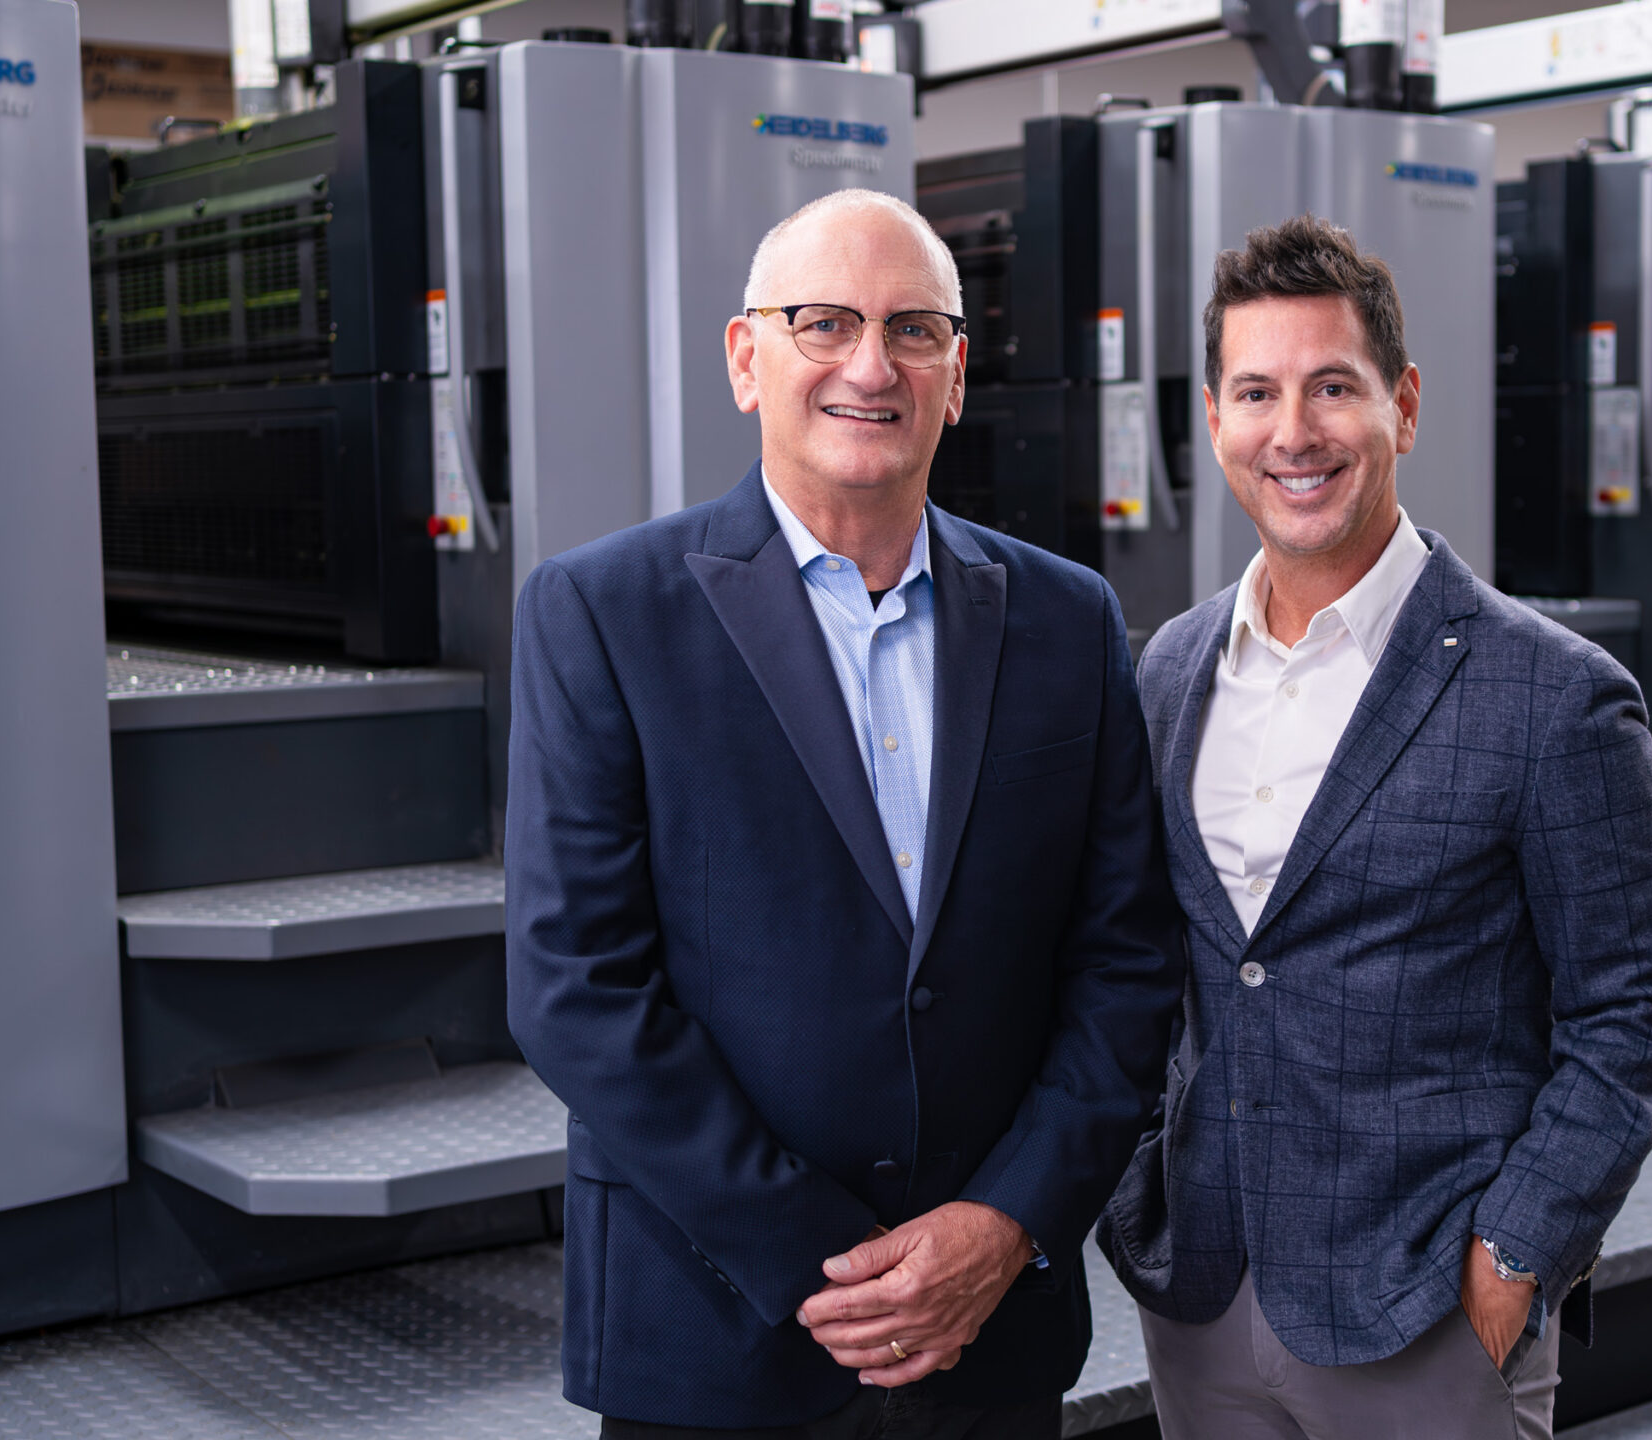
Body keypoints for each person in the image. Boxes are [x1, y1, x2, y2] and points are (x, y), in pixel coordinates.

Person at [506, 188, 1185, 1440]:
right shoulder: (602, 613)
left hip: (988, 1329)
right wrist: (829, 1263)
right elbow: (575, 989)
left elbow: (1126, 961)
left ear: (958, 372)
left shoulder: (1063, 618)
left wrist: (1004, 1226)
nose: (871, 365)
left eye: (914, 329)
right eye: (824, 322)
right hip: (718, 1327)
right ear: (744, 358)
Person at [1098, 215, 1652, 1440]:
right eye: (1255, 392)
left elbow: (1633, 1008)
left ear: (1403, 405)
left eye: (1333, 387)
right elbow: (1152, 964)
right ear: (1213, 419)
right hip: (1203, 1291)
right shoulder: (1166, 671)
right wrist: (1135, 1187)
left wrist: (1517, 1249)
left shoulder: (1553, 694)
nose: (1293, 431)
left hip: (1427, 1305)